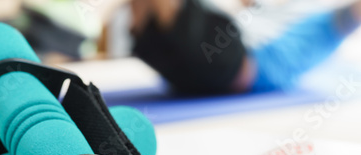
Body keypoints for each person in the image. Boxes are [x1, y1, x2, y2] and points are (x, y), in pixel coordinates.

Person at [128, 0, 361, 94]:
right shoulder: (290, 14)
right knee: (152, 36)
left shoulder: (329, 27)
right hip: (204, 73)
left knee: (162, 28)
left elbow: (354, 14)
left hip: (237, 66)